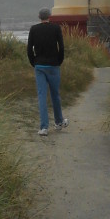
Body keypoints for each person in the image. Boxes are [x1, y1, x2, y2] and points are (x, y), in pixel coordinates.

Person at [27, 8, 68, 136]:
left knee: (42, 96)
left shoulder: (34, 29)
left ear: (39, 16)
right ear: (50, 16)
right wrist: (59, 61)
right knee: (55, 94)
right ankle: (59, 122)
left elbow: (29, 48)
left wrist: (34, 62)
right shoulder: (56, 28)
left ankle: (44, 127)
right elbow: (61, 47)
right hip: (53, 65)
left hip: (39, 65)